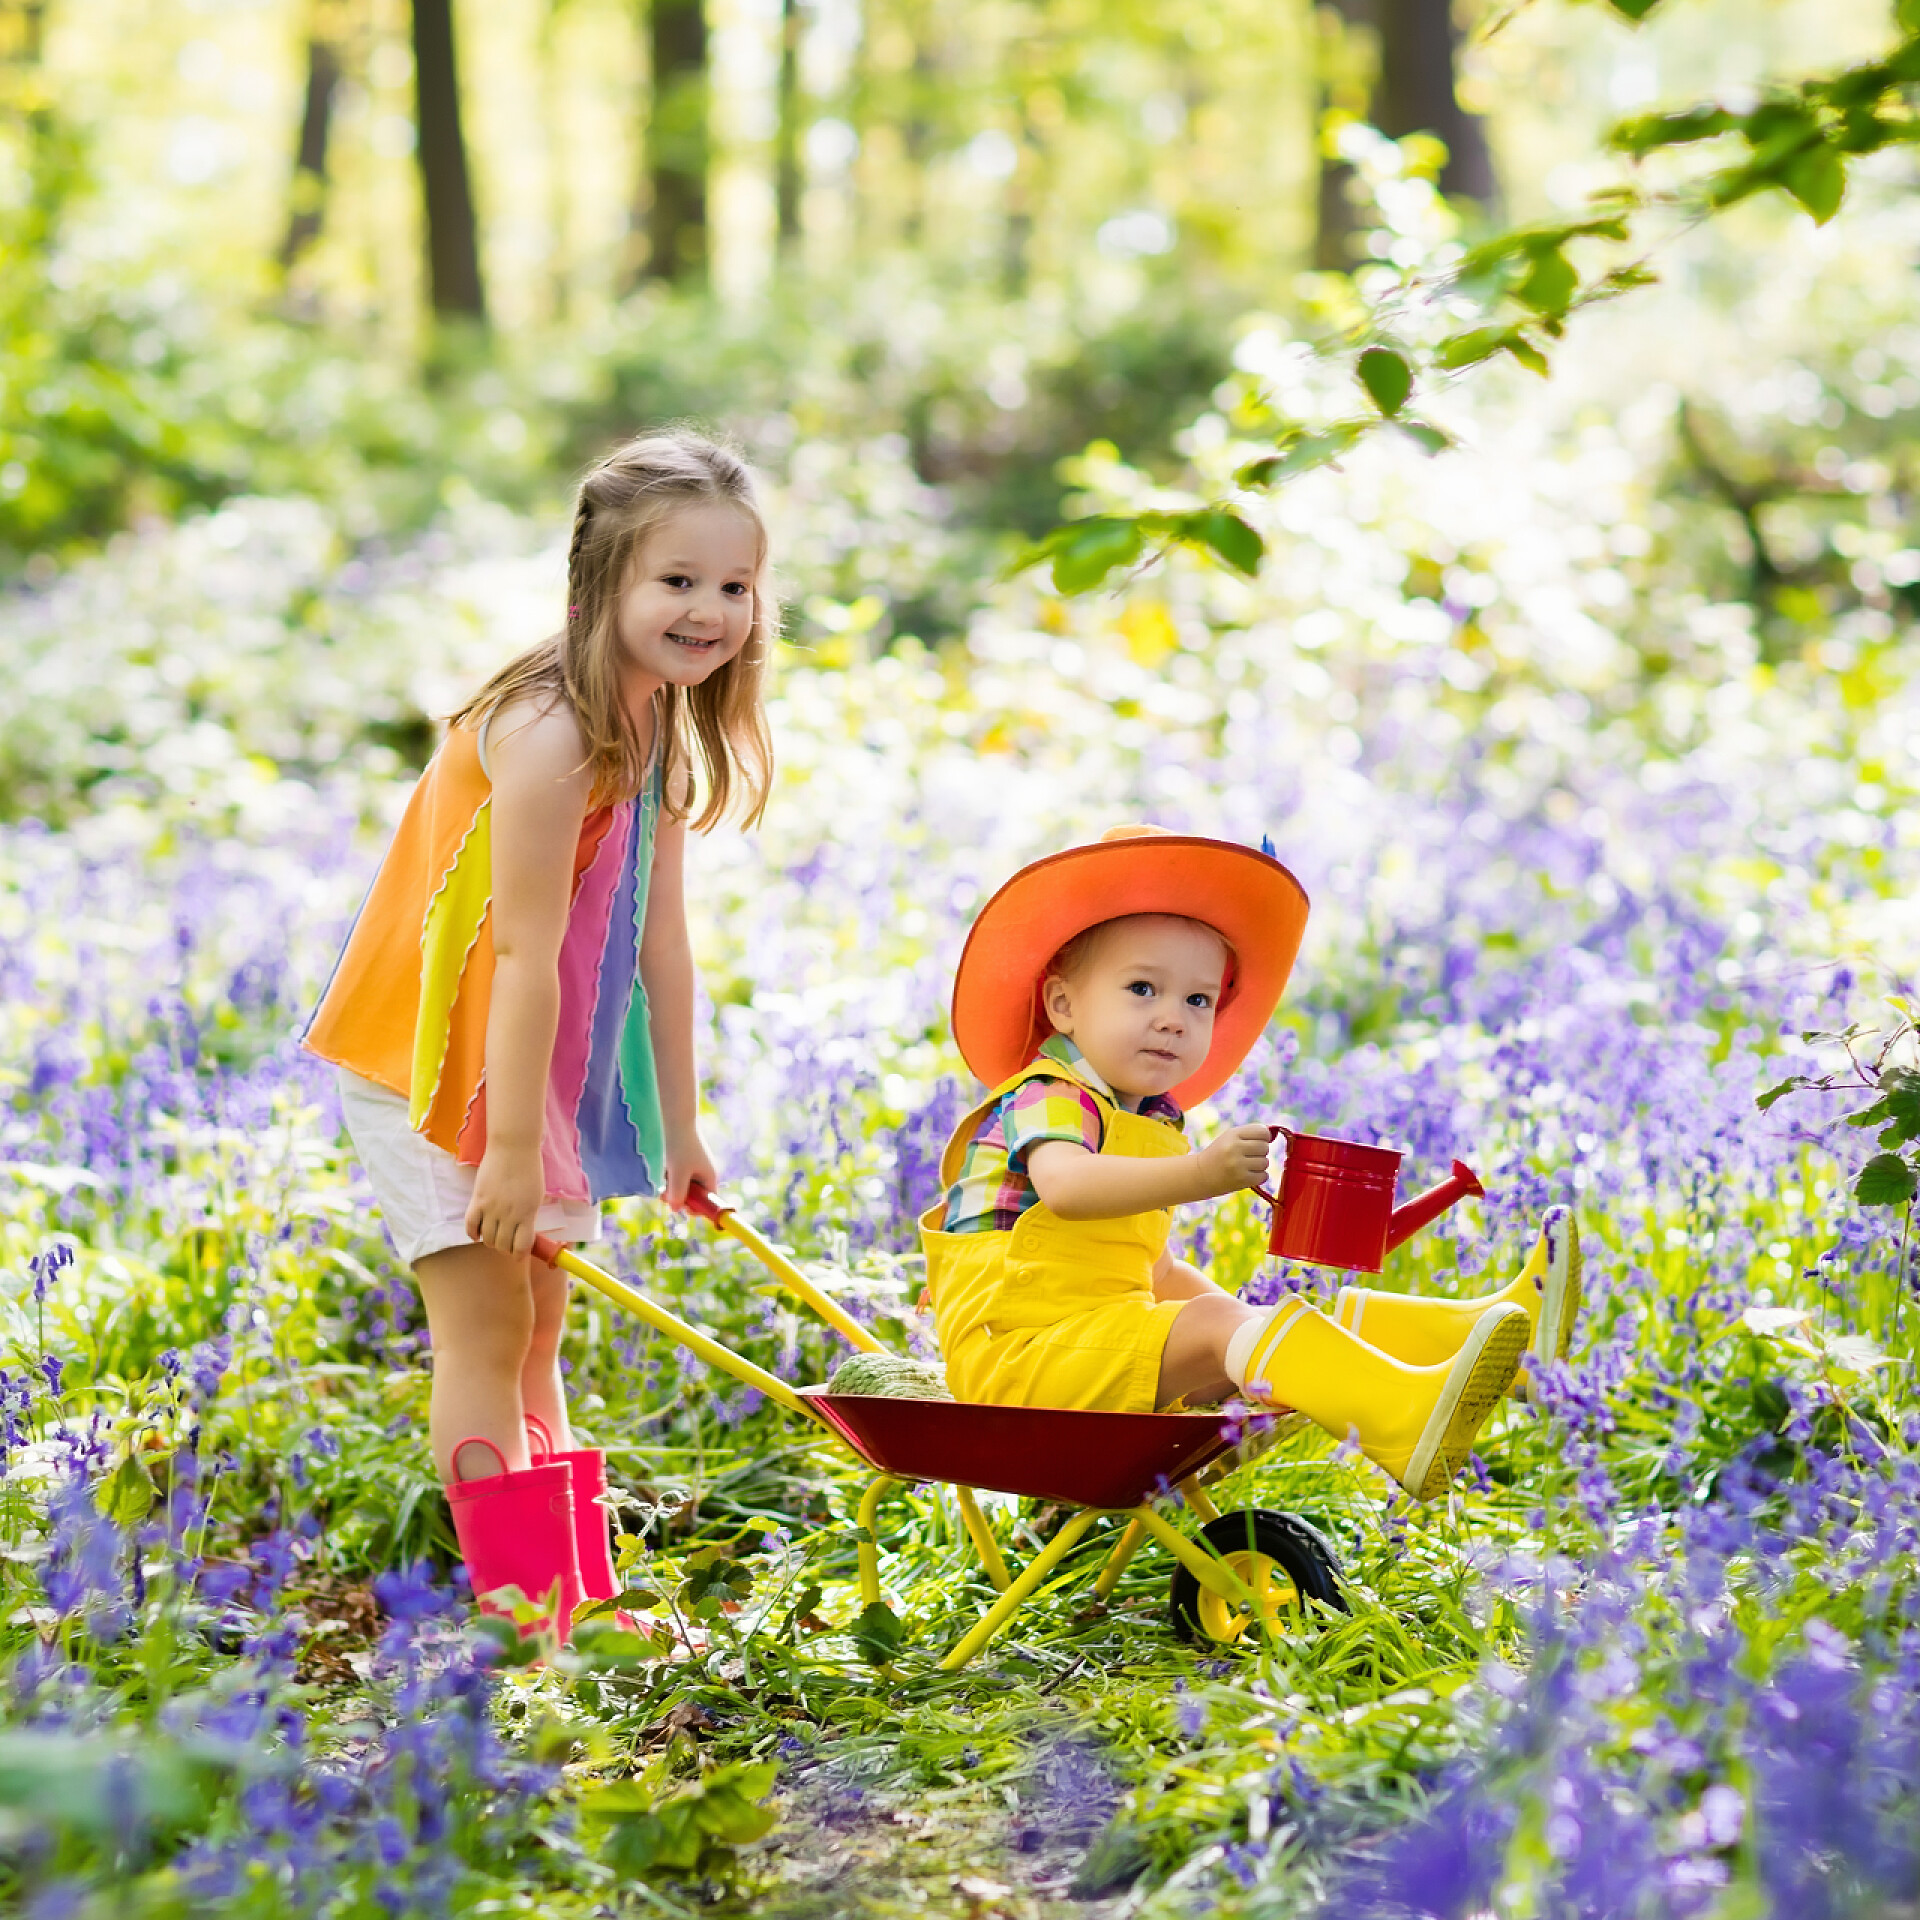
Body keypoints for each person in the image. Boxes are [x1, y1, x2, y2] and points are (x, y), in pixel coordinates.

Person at [304, 432, 774, 1631]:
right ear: (596, 585)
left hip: (526, 1070)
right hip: (431, 1065)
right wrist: (509, 1153)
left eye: (733, 585)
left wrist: (678, 1125)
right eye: (676, 581)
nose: (708, 610)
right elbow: (514, 955)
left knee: (539, 1328)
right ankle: (524, 1611)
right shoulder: (550, 733)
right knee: (487, 1322)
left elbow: (660, 941)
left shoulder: (654, 720)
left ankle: (569, 1597)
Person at [921, 825, 1580, 1501]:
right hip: (1016, 1362)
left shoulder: (1148, 1118)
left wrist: (1250, 1322)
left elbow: (1148, 1270)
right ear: (1063, 1004)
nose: (1173, 1017)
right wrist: (1201, 1177)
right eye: (1143, 988)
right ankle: (1398, 1422)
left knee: (1270, 1321)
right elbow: (1065, 1188)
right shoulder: (1050, 1093)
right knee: (1224, 1328)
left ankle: (1508, 1346)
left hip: (1084, 1342)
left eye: (1197, 1000)